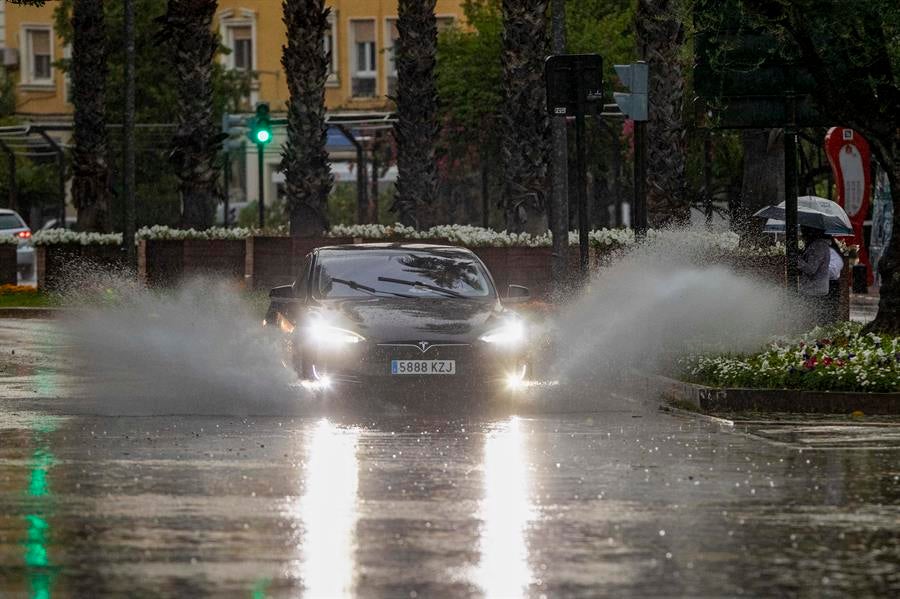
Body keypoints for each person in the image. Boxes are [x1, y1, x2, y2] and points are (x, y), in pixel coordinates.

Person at [797, 226, 831, 327]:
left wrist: (797, 260)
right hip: (813, 288)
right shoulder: (816, 244)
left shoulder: (819, 246)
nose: (802, 234)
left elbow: (811, 269)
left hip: (814, 289)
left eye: (804, 231)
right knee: (811, 319)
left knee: (811, 320)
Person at [827, 238, 844, 323]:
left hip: (831, 285)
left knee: (829, 312)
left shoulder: (831, 252)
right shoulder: (829, 251)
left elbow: (832, 272)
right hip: (828, 285)